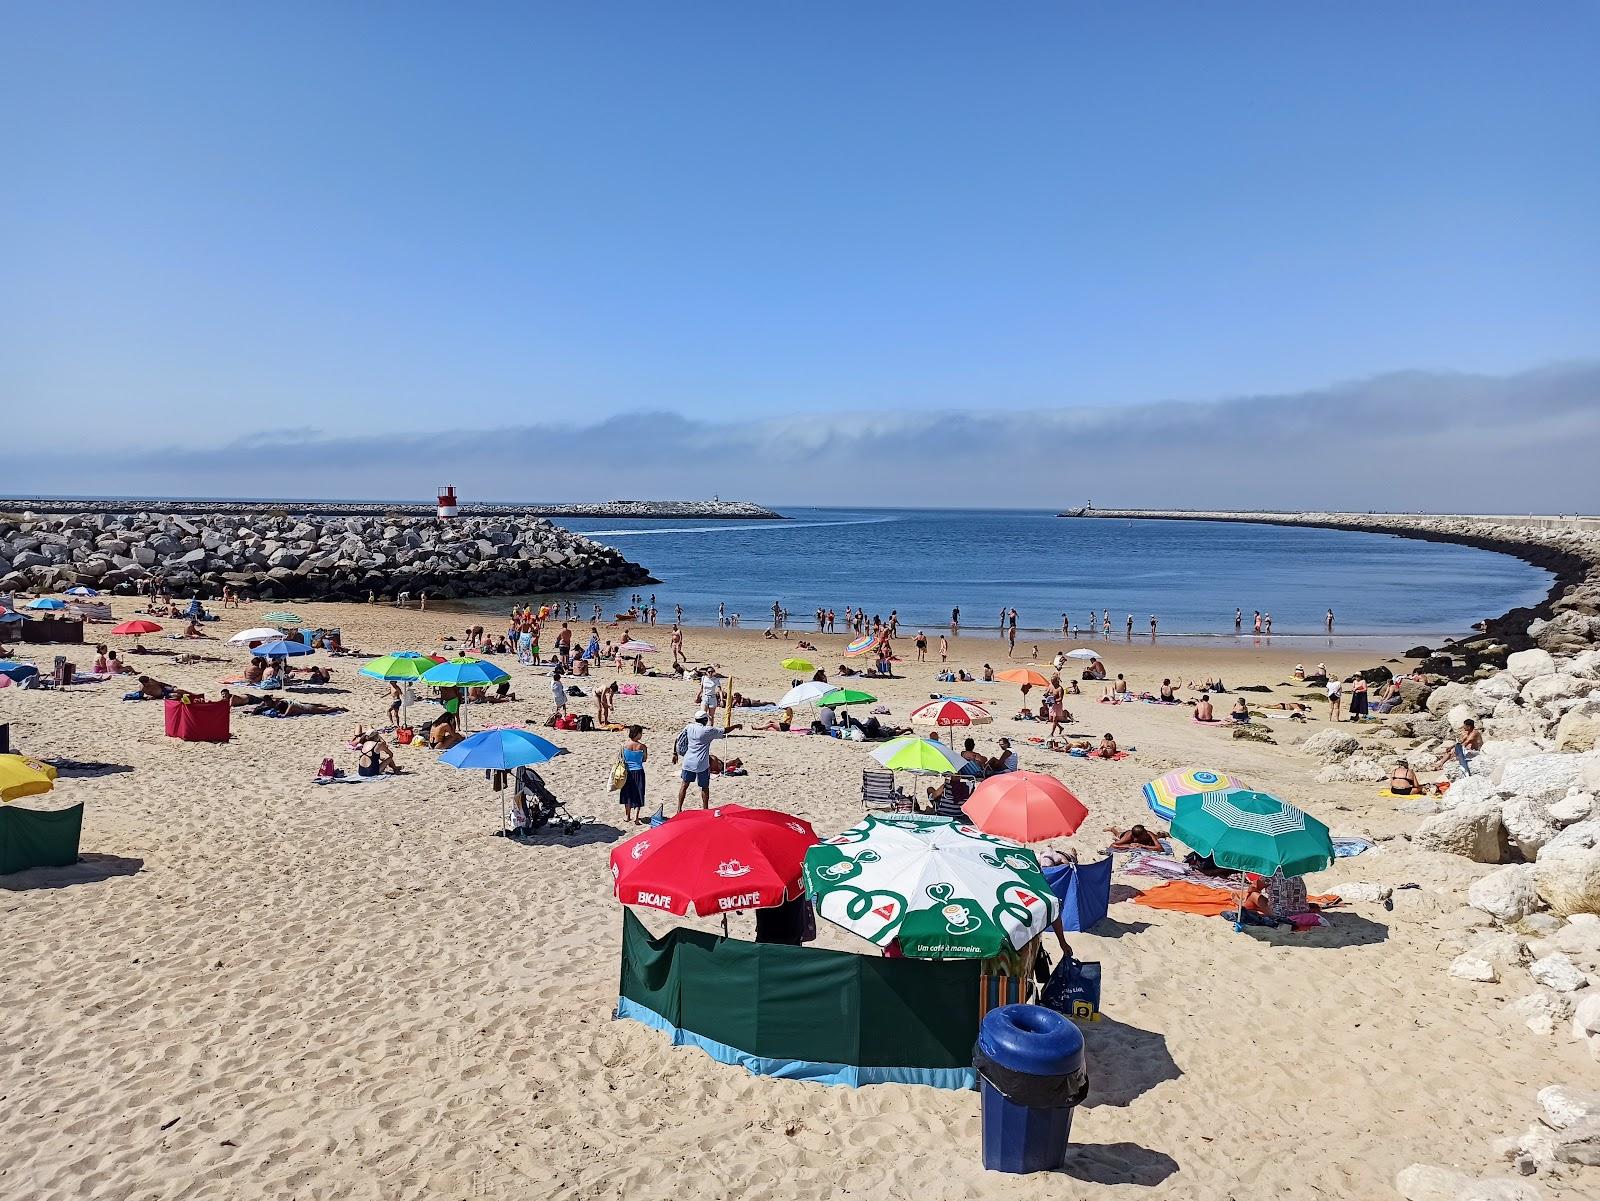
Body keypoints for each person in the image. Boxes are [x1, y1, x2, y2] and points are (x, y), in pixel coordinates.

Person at [673, 710, 737, 812]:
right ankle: (705, 809)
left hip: (688, 761)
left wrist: (675, 753)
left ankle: (679, 808)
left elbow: (678, 739)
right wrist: (735, 726)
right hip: (701, 763)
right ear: (704, 720)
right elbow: (724, 730)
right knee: (704, 787)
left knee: (684, 785)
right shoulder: (708, 730)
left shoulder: (689, 727)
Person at [618, 725, 649, 824]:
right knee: (638, 794)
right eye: (641, 733)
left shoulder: (624, 745)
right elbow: (644, 759)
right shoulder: (642, 747)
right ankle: (636, 817)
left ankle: (627, 816)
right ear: (637, 734)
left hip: (627, 772)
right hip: (638, 771)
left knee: (627, 794)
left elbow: (622, 759)